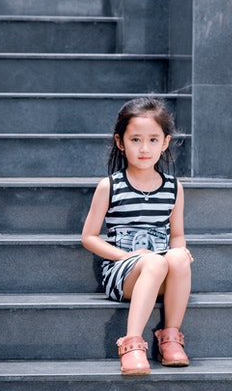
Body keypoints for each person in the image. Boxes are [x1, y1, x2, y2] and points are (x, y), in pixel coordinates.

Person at [81, 97, 193, 376]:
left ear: (165, 142)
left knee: (178, 257)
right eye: (136, 140)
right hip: (123, 272)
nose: (145, 148)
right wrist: (128, 256)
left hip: (160, 266)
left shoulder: (173, 188)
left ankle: (170, 337)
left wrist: (181, 251)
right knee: (154, 262)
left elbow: (176, 234)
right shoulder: (110, 186)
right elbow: (89, 237)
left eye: (153, 140)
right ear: (121, 142)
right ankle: (132, 344)